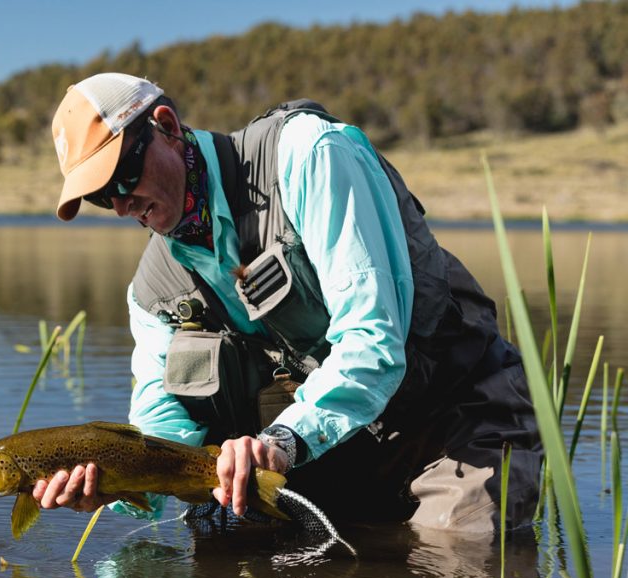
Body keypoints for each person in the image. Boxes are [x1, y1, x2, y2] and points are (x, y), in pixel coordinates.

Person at [32, 72, 542, 533]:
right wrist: (113, 486)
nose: (122, 206)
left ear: (165, 126)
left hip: (450, 417)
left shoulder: (309, 155)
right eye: (102, 198)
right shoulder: (151, 292)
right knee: (230, 548)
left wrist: (281, 441)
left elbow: (373, 342)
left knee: (456, 559)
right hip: (337, 445)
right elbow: (162, 430)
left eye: (123, 177)